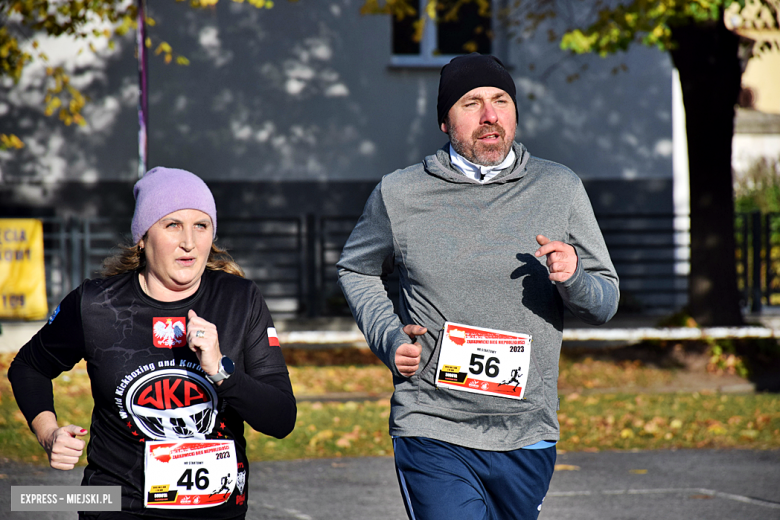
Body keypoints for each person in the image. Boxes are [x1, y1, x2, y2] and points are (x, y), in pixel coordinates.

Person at [336, 53, 619, 520]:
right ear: (444, 122)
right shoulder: (400, 194)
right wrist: (388, 336)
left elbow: (604, 302)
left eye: (501, 100)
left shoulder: (559, 188)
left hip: (527, 429)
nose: (490, 116)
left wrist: (575, 279)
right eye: (472, 103)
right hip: (432, 423)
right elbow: (357, 268)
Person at [9, 167, 297, 520]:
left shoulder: (239, 300)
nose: (189, 241)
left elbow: (282, 419)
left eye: (201, 225)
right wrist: (48, 432)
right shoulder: (97, 305)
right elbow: (29, 367)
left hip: (215, 511)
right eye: (172, 225)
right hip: (116, 506)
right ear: (143, 237)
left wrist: (222, 371)